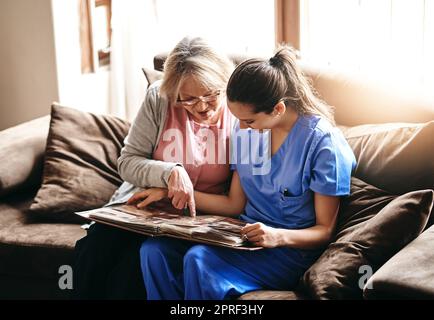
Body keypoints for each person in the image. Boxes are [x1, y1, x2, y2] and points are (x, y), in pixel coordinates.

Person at [137, 45, 357, 300]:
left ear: (278, 109)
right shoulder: (246, 133)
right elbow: (233, 204)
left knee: (200, 260)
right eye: (237, 119)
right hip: (241, 236)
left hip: (289, 249)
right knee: (155, 251)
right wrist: (169, 192)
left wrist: (276, 236)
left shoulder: (323, 145)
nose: (239, 128)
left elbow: (324, 230)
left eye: (249, 121)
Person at [72, 36, 234, 299]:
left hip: (197, 219)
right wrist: (169, 172)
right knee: (94, 250)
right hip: (143, 212)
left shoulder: (240, 111)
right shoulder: (159, 99)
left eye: (210, 95)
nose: (202, 107)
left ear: (224, 84)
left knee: (132, 268)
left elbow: (240, 199)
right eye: (189, 100)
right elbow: (128, 162)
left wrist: (173, 194)